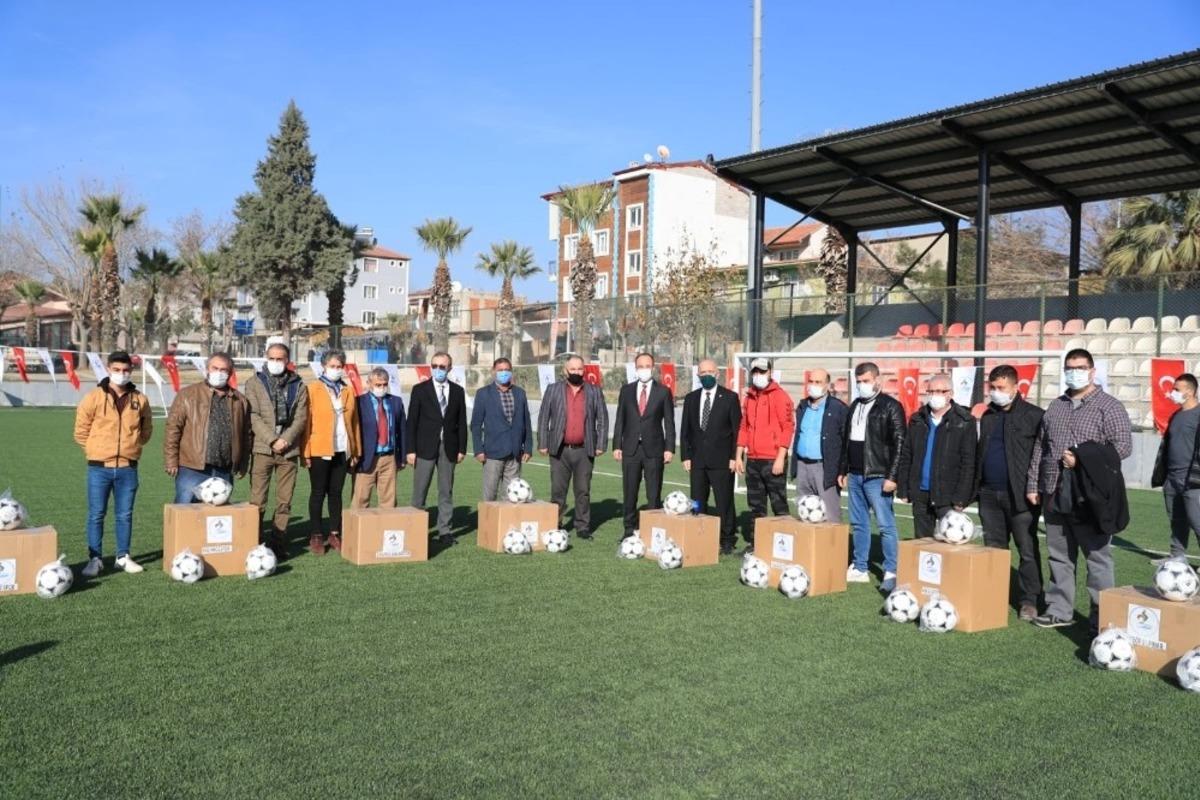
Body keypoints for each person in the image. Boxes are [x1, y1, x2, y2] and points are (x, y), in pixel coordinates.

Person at [1028, 348, 1131, 633]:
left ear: (1092, 371)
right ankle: (1060, 610)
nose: (1075, 372)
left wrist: (1083, 457)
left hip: (1090, 494)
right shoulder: (1056, 406)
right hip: (1054, 489)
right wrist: (1033, 485)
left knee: (1097, 557)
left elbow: (1122, 447)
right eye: (1070, 367)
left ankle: (1101, 616)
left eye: (1080, 367)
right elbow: (1041, 447)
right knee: (1059, 555)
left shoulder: (1109, 406)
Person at [74, 351, 153, 576]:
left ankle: (123, 556)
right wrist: (94, 450)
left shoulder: (140, 399)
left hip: (128, 468)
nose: (121, 374)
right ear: (108, 369)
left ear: (131, 371)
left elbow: (146, 430)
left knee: (124, 514)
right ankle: (95, 559)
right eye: (117, 370)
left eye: (126, 370)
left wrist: (133, 446)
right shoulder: (93, 397)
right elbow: (80, 431)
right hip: (99, 468)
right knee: (96, 514)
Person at [976, 364, 1045, 621]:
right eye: (992, 388)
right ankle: (995, 593)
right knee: (994, 549)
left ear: (1016, 387)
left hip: (1021, 496)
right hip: (988, 494)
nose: (995, 392)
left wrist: (1035, 487)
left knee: (1026, 549)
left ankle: (1030, 599)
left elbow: (1041, 456)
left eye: (1001, 388)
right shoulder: (987, 416)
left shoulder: (1035, 415)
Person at [838, 362, 905, 591]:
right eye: (858, 381)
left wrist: (892, 476)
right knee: (859, 523)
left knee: (885, 525)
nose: (861, 385)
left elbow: (899, 443)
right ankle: (860, 567)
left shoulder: (891, 406)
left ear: (878, 380)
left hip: (878, 475)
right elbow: (846, 441)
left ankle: (891, 570)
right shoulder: (854, 405)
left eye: (865, 381)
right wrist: (842, 469)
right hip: (855, 475)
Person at [245, 342, 309, 559]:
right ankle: (253, 541)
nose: (275, 362)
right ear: (265, 358)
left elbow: (301, 417)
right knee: (257, 501)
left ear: (287, 360)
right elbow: (253, 415)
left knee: (284, 501)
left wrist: (286, 439)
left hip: (288, 452)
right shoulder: (254, 383)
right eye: (271, 358)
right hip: (263, 449)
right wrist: (272, 440)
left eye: (279, 359)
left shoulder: (299, 385)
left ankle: (278, 542)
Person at [164, 352, 251, 505]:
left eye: (224, 370)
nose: (219, 373)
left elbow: (246, 434)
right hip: (192, 467)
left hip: (224, 469)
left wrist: (242, 463)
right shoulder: (187, 395)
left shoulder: (240, 400)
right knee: (185, 512)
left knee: (216, 519)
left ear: (230, 373)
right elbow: (173, 429)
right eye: (215, 368)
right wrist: (171, 460)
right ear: (207, 369)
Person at [897, 373, 977, 539]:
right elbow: (907, 455)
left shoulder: (964, 421)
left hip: (948, 495)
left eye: (940, 391)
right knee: (922, 542)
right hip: (921, 494)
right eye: (931, 391)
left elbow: (968, 463)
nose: (935, 395)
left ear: (950, 393)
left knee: (950, 541)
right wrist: (904, 488)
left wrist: (961, 497)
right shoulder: (917, 419)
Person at [538, 355, 608, 540]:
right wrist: (543, 443)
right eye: (573, 369)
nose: (576, 372)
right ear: (565, 370)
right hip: (559, 450)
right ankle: (555, 524)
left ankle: (582, 526)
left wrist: (601, 444)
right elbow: (544, 417)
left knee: (583, 491)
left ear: (584, 370)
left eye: (580, 369)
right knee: (558, 492)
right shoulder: (553, 390)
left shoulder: (594, 391)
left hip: (585, 449)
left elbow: (602, 418)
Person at [406, 352, 467, 546]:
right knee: (420, 491)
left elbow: (461, 422)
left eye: (442, 366)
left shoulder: (457, 391)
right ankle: (415, 529)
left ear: (449, 368)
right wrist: (410, 450)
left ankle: (445, 531)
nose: (438, 369)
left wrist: (462, 449)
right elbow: (412, 422)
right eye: (435, 365)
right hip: (424, 447)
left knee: (446, 490)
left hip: (448, 448)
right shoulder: (419, 390)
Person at [680, 359, 741, 554]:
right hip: (697, 461)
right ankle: (701, 535)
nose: (706, 375)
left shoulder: (730, 398)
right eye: (702, 372)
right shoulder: (691, 398)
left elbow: (736, 430)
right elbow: (685, 430)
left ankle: (727, 538)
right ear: (698, 375)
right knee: (697, 501)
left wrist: (734, 456)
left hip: (722, 461)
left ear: (717, 373)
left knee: (724, 501)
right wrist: (685, 456)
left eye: (710, 371)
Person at [613, 352, 676, 539]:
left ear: (653, 367)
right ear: (635, 367)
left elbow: (669, 423)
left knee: (653, 493)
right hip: (631, 449)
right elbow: (620, 420)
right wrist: (617, 445)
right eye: (640, 366)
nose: (644, 369)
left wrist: (669, 448)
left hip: (654, 450)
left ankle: (653, 530)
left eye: (647, 366)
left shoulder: (663, 392)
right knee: (630, 491)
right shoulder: (626, 390)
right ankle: (628, 529)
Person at [303, 350, 361, 554]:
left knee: (336, 493)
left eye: (339, 366)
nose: (336, 370)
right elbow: (306, 423)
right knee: (318, 492)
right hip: (320, 449)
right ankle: (316, 535)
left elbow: (354, 423)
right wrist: (306, 452)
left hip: (342, 449)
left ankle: (334, 533)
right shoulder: (313, 389)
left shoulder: (348, 390)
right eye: (332, 366)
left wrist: (355, 450)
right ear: (324, 366)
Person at [736, 358, 795, 553]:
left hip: (773, 459)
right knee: (756, 506)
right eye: (755, 372)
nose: (758, 375)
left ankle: (785, 546)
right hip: (753, 459)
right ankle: (757, 544)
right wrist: (738, 456)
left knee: (779, 504)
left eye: (762, 371)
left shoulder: (780, 396)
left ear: (770, 372)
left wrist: (780, 457)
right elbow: (744, 427)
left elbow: (788, 427)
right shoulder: (749, 397)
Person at [1151, 373, 1200, 562]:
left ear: (1189, 391)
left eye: (1177, 389)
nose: (1172, 393)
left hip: (1193, 479)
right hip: (1172, 478)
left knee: (1197, 522)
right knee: (1177, 521)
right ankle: (1177, 556)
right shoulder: (1176, 415)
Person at [791, 368, 848, 524]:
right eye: (811, 381)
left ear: (827, 385)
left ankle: (834, 547)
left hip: (824, 468)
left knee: (830, 515)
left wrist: (843, 470)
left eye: (818, 382)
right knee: (805, 513)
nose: (813, 385)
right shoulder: (802, 406)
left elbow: (845, 442)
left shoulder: (839, 408)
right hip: (803, 466)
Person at [471, 357, 533, 502]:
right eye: (500, 370)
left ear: (511, 372)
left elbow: (526, 422)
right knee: (489, 497)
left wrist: (528, 447)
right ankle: (488, 525)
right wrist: (478, 449)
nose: (503, 373)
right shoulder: (483, 394)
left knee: (511, 497)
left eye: (507, 370)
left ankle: (506, 525)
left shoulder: (520, 393)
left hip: (514, 453)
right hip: (492, 454)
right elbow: (475, 424)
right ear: (494, 372)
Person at [352, 368, 406, 509]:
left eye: (384, 384)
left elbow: (402, 430)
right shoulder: (358, 403)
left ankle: (386, 529)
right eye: (378, 385)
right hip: (366, 458)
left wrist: (402, 457)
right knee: (360, 499)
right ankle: (358, 530)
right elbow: (353, 431)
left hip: (389, 458)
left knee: (389, 501)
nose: (382, 388)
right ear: (369, 383)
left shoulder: (396, 402)